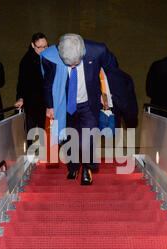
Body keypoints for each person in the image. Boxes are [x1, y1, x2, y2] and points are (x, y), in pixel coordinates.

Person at [41, 33, 118, 185]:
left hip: (88, 103)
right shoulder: (49, 57)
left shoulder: (98, 50)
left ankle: (87, 169)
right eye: (69, 64)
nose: (73, 66)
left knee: (87, 140)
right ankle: (73, 166)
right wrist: (50, 105)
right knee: (70, 137)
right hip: (65, 104)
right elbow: (48, 83)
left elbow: (114, 71)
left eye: (76, 63)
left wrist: (107, 94)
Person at [15, 33, 48, 146]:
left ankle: (43, 154)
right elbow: (21, 83)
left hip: (45, 102)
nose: (43, 49)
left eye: (45, 46)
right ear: (33, 45)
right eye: (40, 47)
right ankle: (31, 156)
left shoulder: (48, 56)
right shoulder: (26, 62)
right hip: (32, 104)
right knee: (30, 132)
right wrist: (20, 98)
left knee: (45, 132)